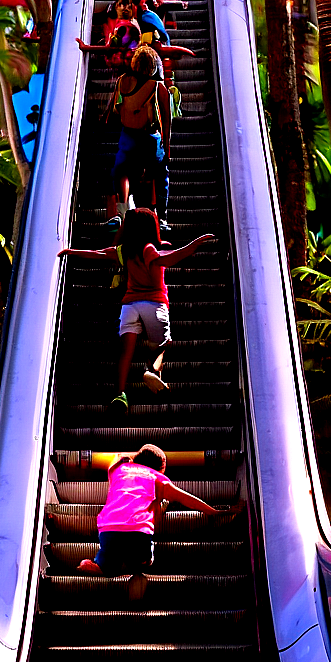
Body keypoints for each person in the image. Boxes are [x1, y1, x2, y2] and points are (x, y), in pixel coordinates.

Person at [58, 209, 216, 410]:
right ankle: (152, 370)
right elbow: (165, 260)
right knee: (163, 344)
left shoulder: (124, 250)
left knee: (125, 352)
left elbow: (99, 254)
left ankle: (119, 394)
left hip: (130, 306)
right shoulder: (148, 248)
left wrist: (71, 252)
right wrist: (192, 246)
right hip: (154, 304)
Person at [75, 444, 219, 578]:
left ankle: (100, 565)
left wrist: (122, 460)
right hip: (138, 535)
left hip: (109, 531)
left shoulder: (119, 470)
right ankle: (138, 561)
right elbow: (187, 499)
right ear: (160, 467)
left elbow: (115, 461)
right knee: (145, 558)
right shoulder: (157, 478)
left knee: (107, 567)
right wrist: (213, 511)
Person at [106, 45, 172, 231]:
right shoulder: (159, 87)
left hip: (128, 135)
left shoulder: (123, 81)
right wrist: (167, 146)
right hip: (149, 138)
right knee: (161, 174)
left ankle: (120, 213)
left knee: (119, 172)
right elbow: (166, 121)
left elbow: (116, 108)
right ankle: (161, 217)